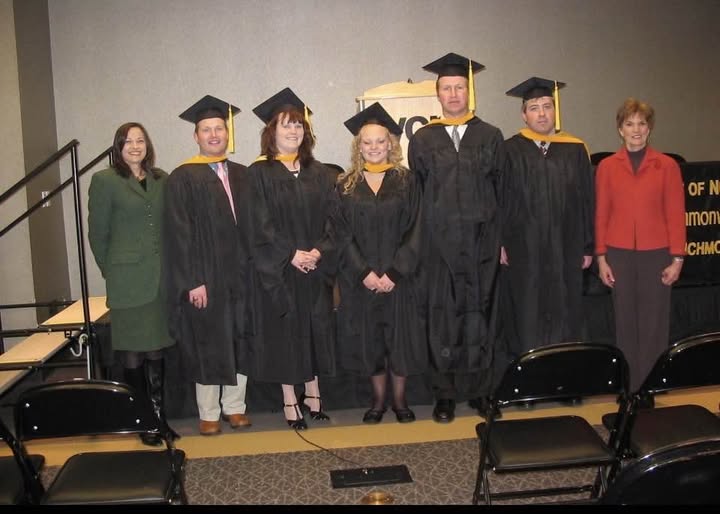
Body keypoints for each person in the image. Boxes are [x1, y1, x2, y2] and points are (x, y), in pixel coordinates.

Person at [407, 53, 504, 423]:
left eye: (459, 87)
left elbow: (502, 191)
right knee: (442, 319)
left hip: (482, 244)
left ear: (469, 91)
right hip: (438, 248)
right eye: (446, 88)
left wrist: (500, 243)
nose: (453, 94)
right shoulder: (423, 138)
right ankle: (444, 394)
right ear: (438, 94)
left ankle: (481, 391)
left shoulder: (490, 135)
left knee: (481, 316)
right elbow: (415, 194)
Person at [248, 88, 338, 430]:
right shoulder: (259, 174)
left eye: (298, 125)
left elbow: (334, 218)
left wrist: (318, 251)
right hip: (283, 270)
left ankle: (314, 393)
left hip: (314, 267)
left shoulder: (321, 172)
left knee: (314, 328)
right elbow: (260, 223)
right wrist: (291, 254)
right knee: (287, 332)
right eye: (286, 125)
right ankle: (290, 398)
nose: (293, 131)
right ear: (272, 131)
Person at [164, 95, 252, 436]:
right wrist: (193, 280)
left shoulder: (243, 174)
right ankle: (209, 411)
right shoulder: (182, 177)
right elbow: (178, 233)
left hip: (240, 274)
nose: (214, 135)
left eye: (219, 128)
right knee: (208, 340)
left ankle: (235, 408)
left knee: (239, 337)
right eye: (206, 130)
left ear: (227, 133)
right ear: (196, 136)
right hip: (206, 275)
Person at [336, 103, 426, 424]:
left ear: (391, 143)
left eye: (380, 141)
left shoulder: (407, 181)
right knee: (371, 342)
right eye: (367, 142)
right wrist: (364, 272)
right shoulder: (345, 185)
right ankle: (377, 402)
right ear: (358, 147)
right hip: (363, 281)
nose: (374, 147)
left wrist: (395, 272)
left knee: (400, 343)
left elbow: (417, 228)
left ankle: (400, 401)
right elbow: (341, 234)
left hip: (400, 279)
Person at [88, 122, 177, 445]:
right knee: (132, 355)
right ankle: (143, 421)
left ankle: (159, 417)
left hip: (159, 281)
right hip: (126, 281)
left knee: (156, 351)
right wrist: (112, 271)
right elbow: (98, 235)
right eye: (128, 141)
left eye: (140, 140)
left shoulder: (161, 179)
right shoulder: (105, 181)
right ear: (118, 146)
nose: (135, 146)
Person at [500, 77, 594, 362]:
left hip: (567, 244)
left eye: (547, 106)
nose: (541, 113)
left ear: (555, 110)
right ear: (524, 115)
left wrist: (587, 246)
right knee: (528, 308)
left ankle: (565, 376)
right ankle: (529, 375)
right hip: (524, 246)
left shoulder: (575, 149)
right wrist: (501, 243)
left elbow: (587, 201)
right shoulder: (510, 150)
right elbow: (501, 200)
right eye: (534, 108)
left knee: (566, 307)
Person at [595, 98, 685, 391]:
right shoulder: (607, 166)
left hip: (656, 254)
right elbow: (602, 213)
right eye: (629, 124)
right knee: (625, 322)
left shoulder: (667, 165)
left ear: (650, 128)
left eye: (642, 124)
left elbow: (675, 212)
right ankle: (629, 386)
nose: (636, 130)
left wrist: (677, 259)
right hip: (618, 253)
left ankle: (650, 385)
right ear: (620, 129)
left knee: (654, 324)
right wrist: (601, 257)